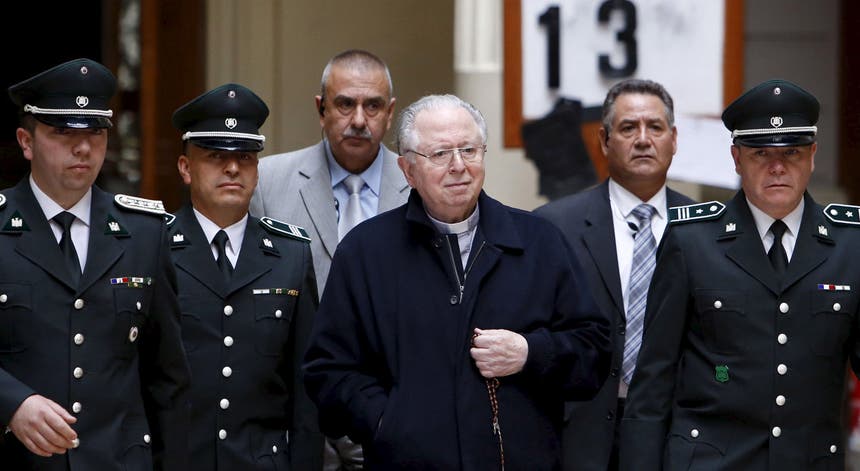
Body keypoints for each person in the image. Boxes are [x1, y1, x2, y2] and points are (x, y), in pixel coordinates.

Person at [302, 94, 612, 469]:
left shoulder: (537, 241)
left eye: (469, 150)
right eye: (440, 154)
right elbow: (328, 371)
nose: (459, 166)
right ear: (407, 170)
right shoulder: (366, 252)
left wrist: (531, 352)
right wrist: (388, 422)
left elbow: (593, 351)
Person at [620, 79, 860, 470]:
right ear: (736, 158)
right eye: (761, 153)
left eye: (793, 153)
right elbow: (653, 383)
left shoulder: (851, 245)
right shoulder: (691, 241)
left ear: (813, 155)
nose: (778, 167)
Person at [0, 58, 190, 469]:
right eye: (63, 132)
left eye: (96, 132)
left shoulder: (145, 232)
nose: (83, 147)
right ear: (26, 141)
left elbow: (167, 378)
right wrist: (12, 403)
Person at [249, 49, 409, 469]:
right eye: (345, 104)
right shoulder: (267, 181)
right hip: (294, 413)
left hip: (393, 417)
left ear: (390, 114)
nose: (359, 119)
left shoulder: (419, 186)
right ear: (321, 109)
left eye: (372, 106)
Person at [534, 79, 694, 471]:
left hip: (673, 431)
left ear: (673, 139)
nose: (643, 139)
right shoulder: (553, 226)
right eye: (628, 128)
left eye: (655, 128)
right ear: (604, 141)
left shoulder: (705, 228)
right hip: (577, 431)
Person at [170, 83, 322, 470]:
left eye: (245, 157)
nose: (233, 168)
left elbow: (306, 388)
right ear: (186, 168)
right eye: (215, 156)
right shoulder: (154, 248)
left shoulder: (290, 253)